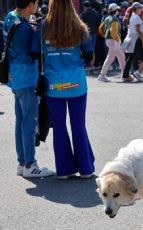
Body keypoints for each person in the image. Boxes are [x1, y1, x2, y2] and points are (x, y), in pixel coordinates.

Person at [31, 0, 95, 179]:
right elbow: (89, 55)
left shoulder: (43, 27)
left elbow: (35, 53)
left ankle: (64, 170)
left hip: (53, 85)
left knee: (59, 126)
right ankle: (86, 169)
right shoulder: (80, 27)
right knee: (78, 125)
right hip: (76, 83)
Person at [3, 0, 54, 178]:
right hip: (27, 77)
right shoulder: (25, 28)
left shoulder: (10, 17)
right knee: (30, 122)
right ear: (31, 4)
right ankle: (31, 164)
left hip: (14, 76)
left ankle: (22, 163)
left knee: (21, 120)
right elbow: (32, 52)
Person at [98, 3, 129, 82]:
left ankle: (124, 74)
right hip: (113, 41)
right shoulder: (114, 19)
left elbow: (101, 29)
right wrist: (117, 38)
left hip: (110, 40)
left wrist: (105, 35)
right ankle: (102, 75)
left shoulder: (107, 18)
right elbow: (113, 33)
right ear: (116, 11)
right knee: (110, 58)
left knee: (121, 56)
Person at [121, 2, 143, 81]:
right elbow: (138, 31)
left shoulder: (131, 16)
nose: (141, 9)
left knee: (131, 57)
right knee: (136, 56)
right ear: (136, 9)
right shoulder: (136, 17)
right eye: (140, 8)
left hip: (131, 37)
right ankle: (133, 73)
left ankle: (126, 74)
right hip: (135, 38)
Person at [80, 0, 101, 71]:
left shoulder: (83, 14)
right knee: (93, 49)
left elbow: (80, 23)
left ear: (85, 6)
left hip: (86, 33)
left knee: (85, 49)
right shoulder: (96, 13)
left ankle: (86, 65)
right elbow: (99, 23)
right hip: (94, 33)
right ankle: (92, 65)